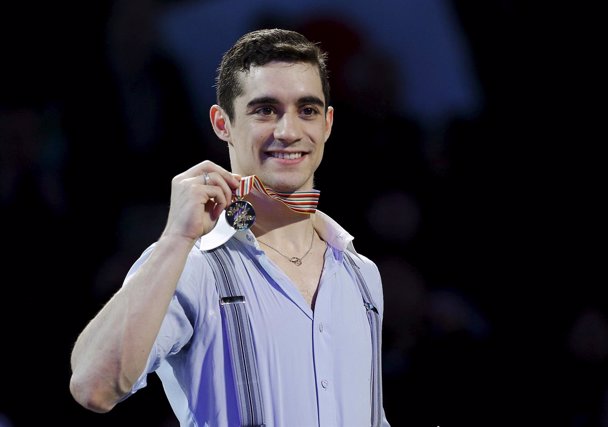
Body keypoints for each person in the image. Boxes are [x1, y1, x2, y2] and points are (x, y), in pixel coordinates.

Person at [69, 28, 391, 426]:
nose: (288, 131)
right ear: (222, 123)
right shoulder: (190, 264)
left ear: (327, 124)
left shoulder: (361, 274)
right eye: (265, 110)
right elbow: (93, 387)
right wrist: (175, 239)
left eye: (307, 110)